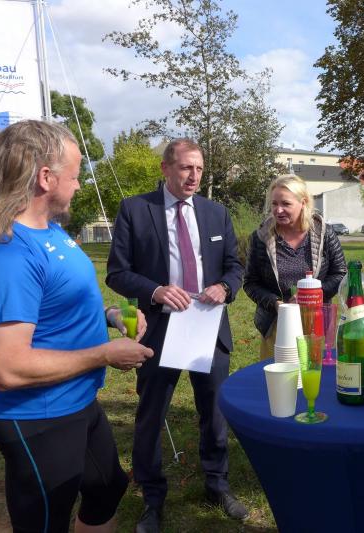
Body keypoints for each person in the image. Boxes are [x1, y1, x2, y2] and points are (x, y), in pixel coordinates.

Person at [0, 120, 153, 533]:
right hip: (37, 414)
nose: (80, 185)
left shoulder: (52, 231)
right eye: (76, 175)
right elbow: (6, 368)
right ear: (46, 178)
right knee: (45, 520)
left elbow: (54, 304)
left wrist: (109, 316)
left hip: (76, 397)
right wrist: (104, 354)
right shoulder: (9, 253)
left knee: (107, 487)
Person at [106, 138, 245, 532]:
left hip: (207, 327)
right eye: (186, 168)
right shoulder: (136, 209)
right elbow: (117, 272)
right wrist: (155, 290)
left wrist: (225, 288)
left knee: (214, 413)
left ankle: (217, 485)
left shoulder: (216, 213)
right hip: (158, 328)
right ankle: (152, 497)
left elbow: (234, 266)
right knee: (152, 415)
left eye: (199, 169)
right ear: (165, 168)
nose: (193, 176)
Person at [243, 174, 346, 359]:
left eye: (286, 204)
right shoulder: (261, 237)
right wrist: (276, 304)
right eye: (274, 204)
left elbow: (340, 274)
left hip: (317, 323)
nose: (278, 210)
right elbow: (251, 283)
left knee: (317, 373)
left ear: (303, 203)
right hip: (276, 324)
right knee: (280, 373)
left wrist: (311, 296)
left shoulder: (324, 233)